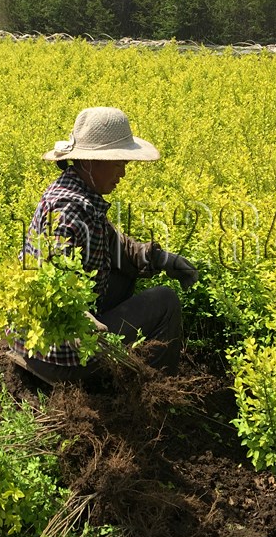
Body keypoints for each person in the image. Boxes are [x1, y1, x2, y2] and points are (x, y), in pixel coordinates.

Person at [12, 106, 198, 386]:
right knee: (165, 301)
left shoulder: (75, 192)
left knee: (124, 273)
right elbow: (47, 275)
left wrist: (164, 260)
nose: (123, 173)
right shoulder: (70, 211)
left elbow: (120, 247)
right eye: (118, 163)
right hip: (62, 353)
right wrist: (83, 319)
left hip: (43, 345)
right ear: (91, 162)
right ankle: (157, 390)